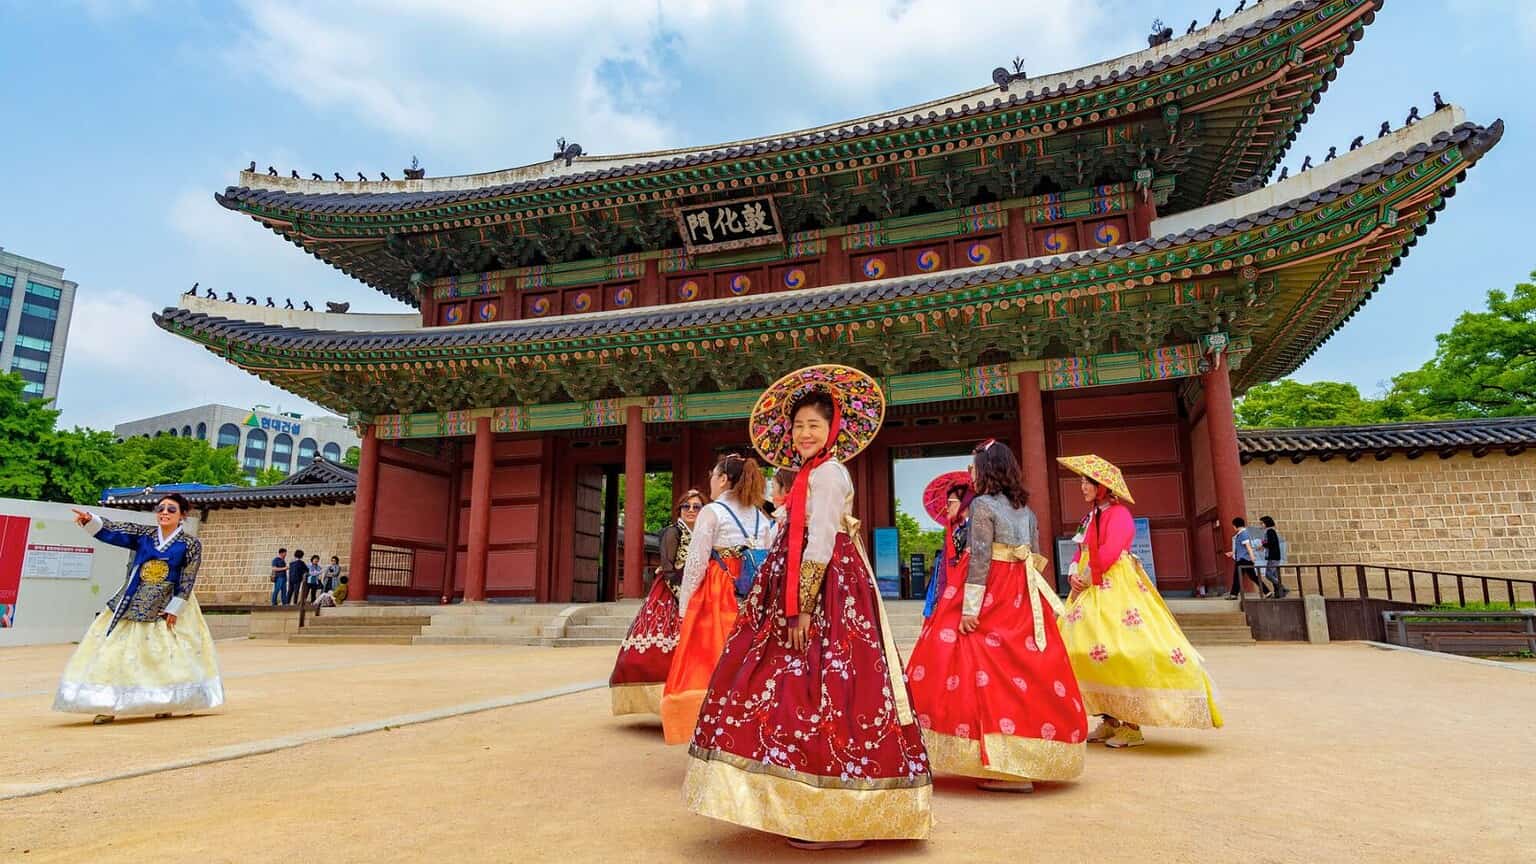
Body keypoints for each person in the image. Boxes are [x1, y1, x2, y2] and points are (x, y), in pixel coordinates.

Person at [685, 364, 931, 849]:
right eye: (798, 426)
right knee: (792, 687)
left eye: (814, 425)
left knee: (827, 689)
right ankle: (805, 801)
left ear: (832, 429)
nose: (803, 433)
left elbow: (818, 542)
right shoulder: (806, 475)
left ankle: (835, 812)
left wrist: (800, 606)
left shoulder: (830, 474)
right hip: (796, 585)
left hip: (826, 593)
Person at [907, 440, 1085, 792]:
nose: (971, 474)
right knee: (1024, 665)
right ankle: (1024, 759)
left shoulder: (983, 507)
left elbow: (980, 559)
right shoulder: (1028, 511)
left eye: (974, 468)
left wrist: (969, 609)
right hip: (1022, 591)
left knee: (968, 658)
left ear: (987, 470)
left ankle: (995, 760)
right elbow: (1034, 557)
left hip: (991, 590)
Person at [1057, 455, 1223, 748]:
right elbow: (1080, 547)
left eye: (1087, 482)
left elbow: (1110, 549)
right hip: (1086, 584)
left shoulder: (1118, 515)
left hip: (1112, 584)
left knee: (1123, 648)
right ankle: (1108, 719)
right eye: (1082, 481)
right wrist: (1073, 571)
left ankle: (1132, 725)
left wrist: (1086, 573)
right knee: (1080, 648)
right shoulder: (1090, 516)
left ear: (1102, 487)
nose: (1081, 486)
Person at [56, 494, 224, 723]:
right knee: (116, 651)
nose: (164, 513)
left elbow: (188, 577)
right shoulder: (144, 535)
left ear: (182, 515)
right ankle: (108, 703)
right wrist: (91, 520)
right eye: (161, 508)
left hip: (168, 600)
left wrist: (175, 607)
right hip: (134, 596)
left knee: (165, 654)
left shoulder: (190, 544)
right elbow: (118, 531)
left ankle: (167, 699)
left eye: (171, 510)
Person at [662, 454, 769, 744]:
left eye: (713, 475)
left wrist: (685, 608)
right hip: (754, 594)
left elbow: (696, 563)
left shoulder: (713, 512)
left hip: (719, 592)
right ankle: (749, 733)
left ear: (723, 479)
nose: (710, 480)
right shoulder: (761, 515)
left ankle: (713, 730)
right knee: (751, 662)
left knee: (710, 661)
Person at [609, 489, 704, 717]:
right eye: (686, 506)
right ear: (679, 509)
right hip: (672, 593)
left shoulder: (703, 534)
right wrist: (685, 598)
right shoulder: (673, 533)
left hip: (697, 592)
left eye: (696, 507)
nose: (691, 510)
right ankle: (663, 705)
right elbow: (669, 568)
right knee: (661, 652)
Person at [919, 470, 972, 619]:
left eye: (950, 503)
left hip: (961, 595)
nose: (947, 508)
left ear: (965, 503)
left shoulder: (972, 530)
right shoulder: (956, 530)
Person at [1224, 518, 1265, 598]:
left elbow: (1248, 546)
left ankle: (1233, 594)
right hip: (1244, 559)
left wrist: (1252, 556)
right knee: (1253, 577)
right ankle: (1267, 592)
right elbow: (1241, 548)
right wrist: (1232, 553)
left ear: (1235, 525)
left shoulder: (1243, 533)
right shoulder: (1241, 533)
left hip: (1243, 560)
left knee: (1237, 577)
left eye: (1233, 526)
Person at [1259, 516, 1289, 598]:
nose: (1261, 525)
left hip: (1273, 556)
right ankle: (1279, 593)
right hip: (1274, 556)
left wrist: (1263, 545)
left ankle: (1283, 588)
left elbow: (1271, 543)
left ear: (1266, 523)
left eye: (1262, 523)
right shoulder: (1270, 531)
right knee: (1274, 576)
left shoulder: (1270, 531)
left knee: (1268, 574)